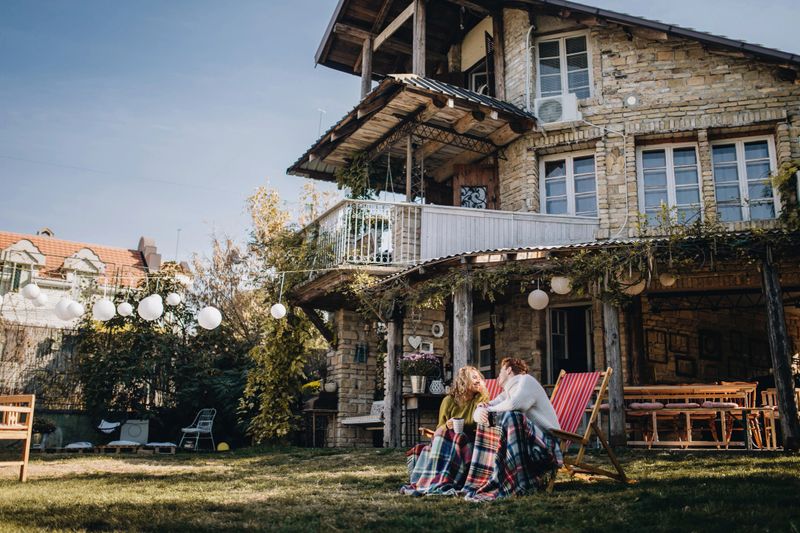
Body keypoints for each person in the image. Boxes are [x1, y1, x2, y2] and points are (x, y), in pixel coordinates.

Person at [461, 357, 563, 502]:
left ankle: (520, 482)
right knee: (495, 418)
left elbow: (515, 404)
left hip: (547, 446)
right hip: (528, 445)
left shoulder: (526, 380)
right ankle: (483, 479)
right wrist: (481, 412)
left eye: (500, 371)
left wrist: (489, 410)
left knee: (511, 415)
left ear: (508, 370)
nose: (498, 376)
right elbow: (484, 408)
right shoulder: (507, 393)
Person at [400, 366, 488, 496]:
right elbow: (438, 431)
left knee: (458, 437)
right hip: (448, 442)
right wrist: (447, 425)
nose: (478, 380)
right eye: (474, 377)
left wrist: (484, 391)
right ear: (464, 380)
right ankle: (434, 482)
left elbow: (483, 421)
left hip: (469, 444)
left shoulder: (480, 399)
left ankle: (433, 482)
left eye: (480, 378)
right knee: (444, 434)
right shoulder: (448, 401)